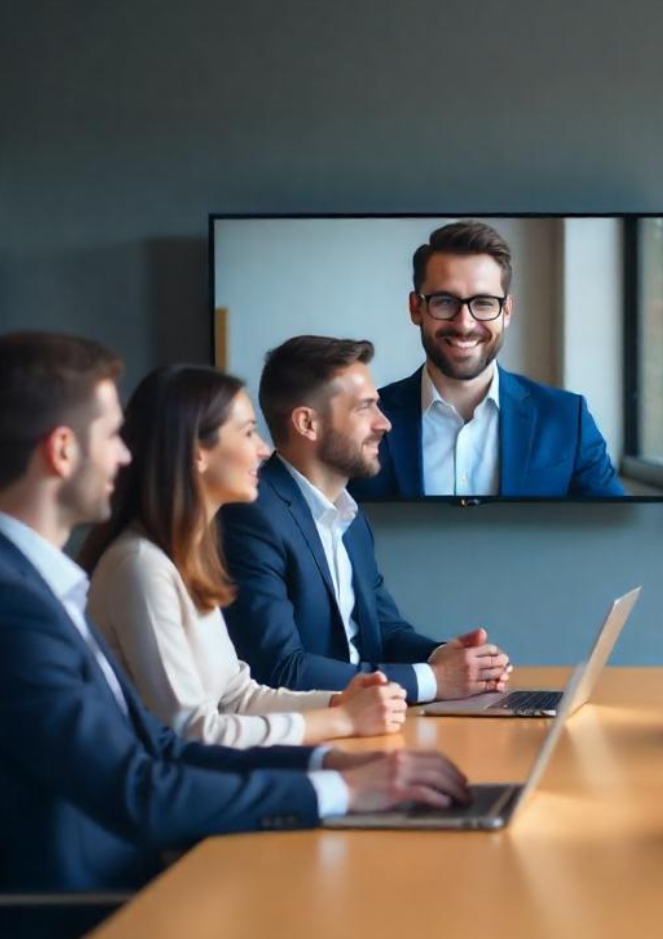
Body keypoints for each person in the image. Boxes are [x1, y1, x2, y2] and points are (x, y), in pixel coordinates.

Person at [0, 333, 470, 939]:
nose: (127, 456)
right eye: (112, 436)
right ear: (62, 451)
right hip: (98, 929)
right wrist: (341, 790)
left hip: (142, 885)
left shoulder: (25, 585)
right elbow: (141, 792)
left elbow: (156, 748)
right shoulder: (1, 607)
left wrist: (328, 765)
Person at [81, 365, 409, 747]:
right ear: (197, 453)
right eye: (248, 432)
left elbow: (239, 696)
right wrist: (341, 722)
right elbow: (190, 732)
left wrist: (341, 702)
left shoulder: (186, 559)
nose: (264, 449)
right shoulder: (140, 566)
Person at [220, 335, 512, 700]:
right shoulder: (252, 517)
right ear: (307, 423)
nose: (384, 423)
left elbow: (385, 633)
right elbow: (280, 668)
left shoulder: (351, 517)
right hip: (310, 736)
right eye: (365, 408)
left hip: (370, 719)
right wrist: (435, 680)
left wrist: (444, 657)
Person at [349, 219, 624, 498]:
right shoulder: (361, 420)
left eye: (483, 303)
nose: (465, 324)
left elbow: (614, 531)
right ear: (416, 308)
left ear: (506, 311)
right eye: (445, 301)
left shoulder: (566, 419)